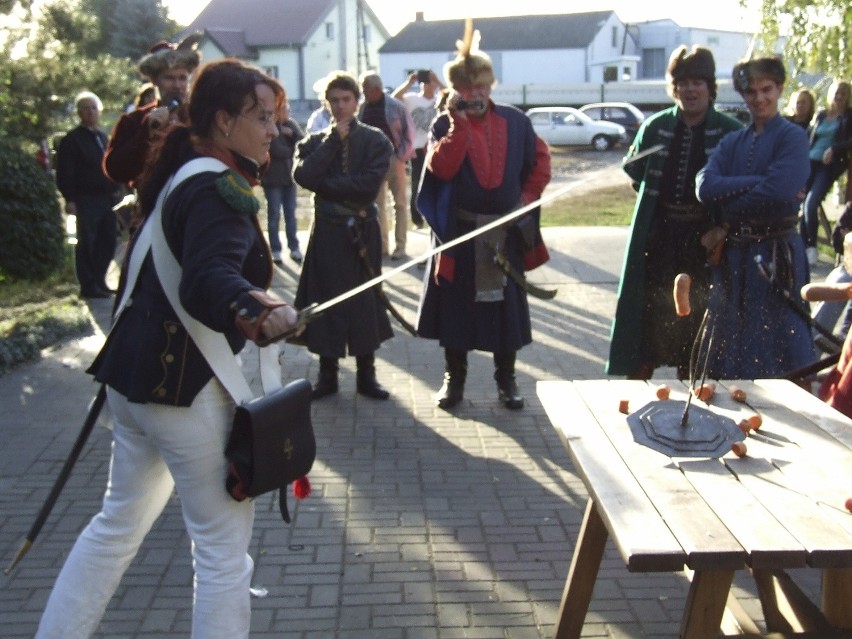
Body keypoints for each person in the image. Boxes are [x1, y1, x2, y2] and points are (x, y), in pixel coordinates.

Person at [35, 59, 300, 638]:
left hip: (133, 390)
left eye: (276, 119)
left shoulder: (185, 171)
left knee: (114, 529)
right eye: (262, 118)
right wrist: (256, 311)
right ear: (224, 122)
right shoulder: (219, 189)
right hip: (185, 393)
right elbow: (206, 278)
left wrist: (249, 298)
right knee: (223, 555)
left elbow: (186, 270)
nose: (274, 131)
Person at [415, 21, 551, 410]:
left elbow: (541, 162)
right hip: (460, 234)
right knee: (456, 312)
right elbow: (440, 169)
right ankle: (453, 381)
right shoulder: (444, 122)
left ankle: (506, 381)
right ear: (455, 90)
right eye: (466, 89)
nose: (475, 94)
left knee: (504, 314)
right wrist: (457, 123)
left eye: (480, 87)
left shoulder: (516, 121)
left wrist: (525, 198)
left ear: (491, 85)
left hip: (504, 233)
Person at [607, 45, 743, 379]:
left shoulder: (730, 130)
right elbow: (636, 179)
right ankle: (637, 390)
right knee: (650, 313)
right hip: (659, 237)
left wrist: (723, 228)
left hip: (705, 241)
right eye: (683, 82)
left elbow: (743, 193)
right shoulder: (654, 127)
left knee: (696, 316)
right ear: (674, 87)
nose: (690, 89)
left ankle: (693, 389)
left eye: (698, 81)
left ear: (710, 87)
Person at [695, 54, 813, 379]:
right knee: (732, 343)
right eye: (751, 92)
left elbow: (779, 192)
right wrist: (758, 181)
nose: (759, 98)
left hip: (777, 255)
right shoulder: (733, 141)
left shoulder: (792, 137)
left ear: (780, 89)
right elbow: (705, 187)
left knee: (779, 348)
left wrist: (730, 205)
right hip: (735, 256)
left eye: (767, 89)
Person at [292, 71, 394, 401]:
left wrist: (326, 187)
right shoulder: (312, 142)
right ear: (327, 103)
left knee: (365, 301)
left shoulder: (377, 140)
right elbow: (305, 176)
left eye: (346, 100)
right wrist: (333, 140)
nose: (340, 106)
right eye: (334, 101)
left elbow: (367, 187)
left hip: (363, 233)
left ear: (357, 101)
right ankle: (327, 374)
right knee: (325, 302)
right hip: (327, 234)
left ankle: (367, 375)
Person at [103, 34, 202, 187]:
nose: (177, 85)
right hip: (151, 204)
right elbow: (115, 170)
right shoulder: (134, 120)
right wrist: (146, 132)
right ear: (155, 81)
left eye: (182, 78)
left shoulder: (201, 116)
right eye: (169, 78)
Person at [55, 91, 121, 299]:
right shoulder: (73, 140)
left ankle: (100, 280)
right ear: (79, 112)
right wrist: (70, 198)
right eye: (86, 108)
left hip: (106, 199)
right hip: (85, 198)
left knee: (108, 240)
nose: (91, 112)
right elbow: (66, 170)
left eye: (94, 107)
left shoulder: (102, 137)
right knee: (87, 241)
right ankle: (88, 285)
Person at [358, 72, 416, 259]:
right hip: (371, 163)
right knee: (377, 206)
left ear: (375, 90)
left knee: (399, 204)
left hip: (393, 159)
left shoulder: (396, 107)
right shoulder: (362, 108)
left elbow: (410, 135)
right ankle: (382, 246)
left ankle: (400, 247)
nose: (363, 93)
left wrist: (400, 156)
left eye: (365, 90)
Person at [800, 80, 852, 265]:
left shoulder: (848, 116)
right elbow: (807, 137)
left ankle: (811, 248)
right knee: (800, 200)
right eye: (837, 93)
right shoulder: (821, 115)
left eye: (843, 94)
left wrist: (834, 148)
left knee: (811, 203)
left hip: (829, 165)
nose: (839, 97)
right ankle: (802, 248)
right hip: (809, 162)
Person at [392, 69, 445, 229]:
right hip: (417, 148)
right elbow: (395, 98)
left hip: (435, 146)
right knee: (416, 183)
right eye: (427, 81)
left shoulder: (439, 99)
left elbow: (451, 95)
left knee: (436, 183)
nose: (430, 84)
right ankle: (417, 218)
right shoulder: (413, 99)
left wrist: (438, 79)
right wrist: (409, 82)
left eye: (431, 81)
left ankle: (433, 215)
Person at [262, 99, 304, 265]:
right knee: (274, 215)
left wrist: (292, 135)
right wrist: (292, 150)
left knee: (290, 215)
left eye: (288, 109)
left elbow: (303, 142)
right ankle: (275, 249)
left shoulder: (291, 125)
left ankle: (294, 247)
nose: (287, 112)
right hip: (272, 179)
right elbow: (276, 151)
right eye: (284, 109)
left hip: (289, 178)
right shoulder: (270, 127)